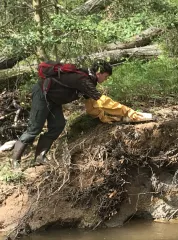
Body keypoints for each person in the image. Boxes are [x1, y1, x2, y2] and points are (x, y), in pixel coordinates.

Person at [12, 60, 143, 167]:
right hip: (42, 94)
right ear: (99, 73)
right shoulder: (83, 79)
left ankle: (40, 157)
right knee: (34, 129)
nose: (106, 79)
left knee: (58, 125)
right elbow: (103, 101)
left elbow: (91, 105)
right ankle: (15, 161)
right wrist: (128, 112)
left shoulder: (88, 81)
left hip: (54, 100)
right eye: (106, 76)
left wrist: (103, 117)